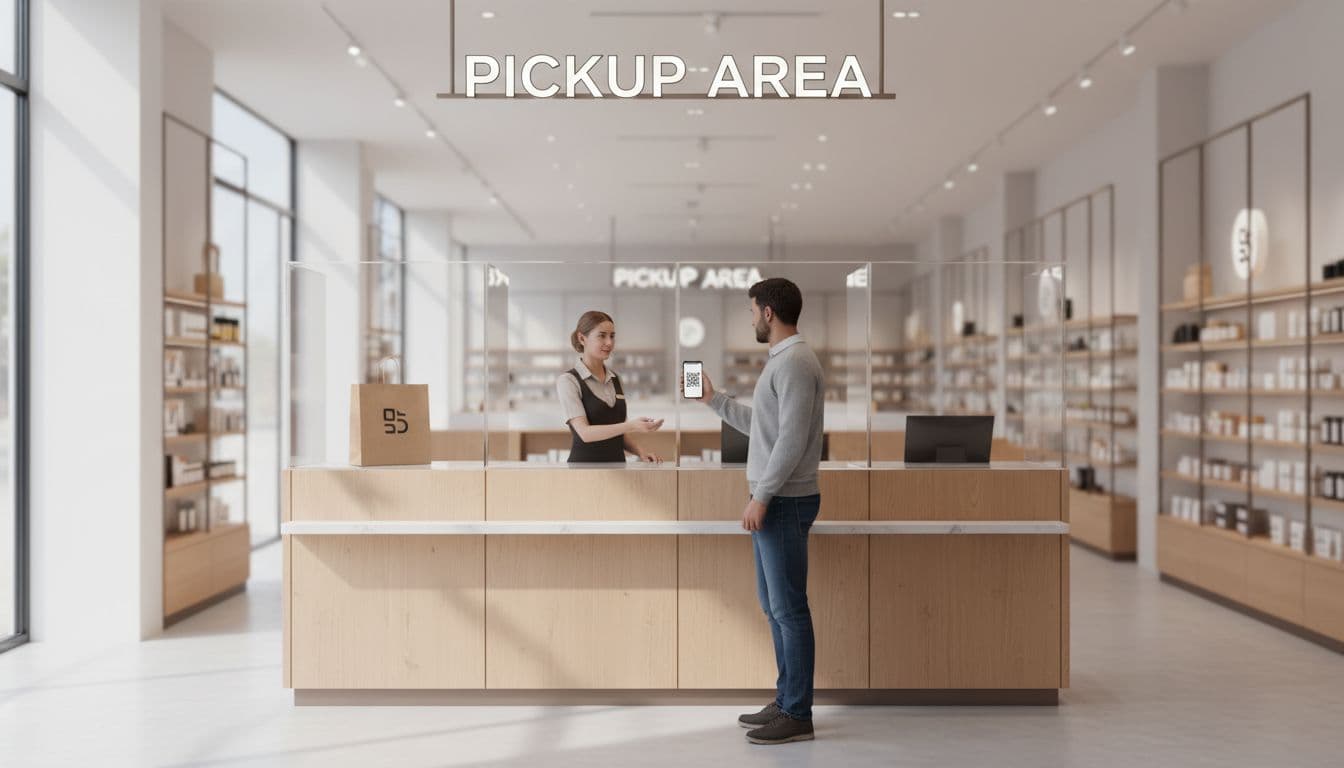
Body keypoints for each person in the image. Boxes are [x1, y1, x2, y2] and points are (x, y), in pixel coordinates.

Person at [684, 278, 825, 745]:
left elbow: (790, 441)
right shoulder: (783, 362)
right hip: (775, 499)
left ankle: (798, 712)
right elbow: (766, 428)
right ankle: (787, 700)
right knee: (774, 607)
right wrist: (714, 401)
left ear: (767, 312)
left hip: (783, 501)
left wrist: (761, 496)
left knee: (788, 609)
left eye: (751, 312)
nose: (750, 320)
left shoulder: (797, 363)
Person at [555, 310, 663, 463]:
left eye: (612, 336)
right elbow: (585, 433)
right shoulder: (568, 381)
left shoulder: (615, 379)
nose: (609, 342)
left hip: (618, 468)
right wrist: (631, 425)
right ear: (582, 338)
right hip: (583, 470)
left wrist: (641, 452)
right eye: (602, 335)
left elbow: (619, 433)